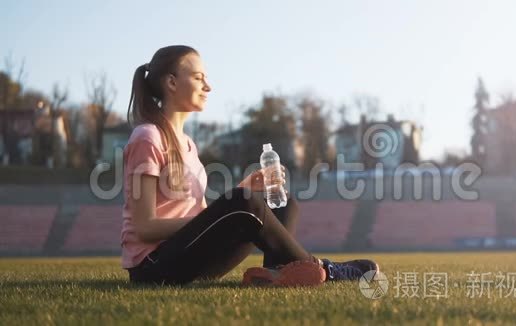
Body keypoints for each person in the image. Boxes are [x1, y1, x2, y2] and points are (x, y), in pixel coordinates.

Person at [122, 45, 378, 286]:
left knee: (282, 202)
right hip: (154, 267)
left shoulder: (188, 145)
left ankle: (278, 272)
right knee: (244, 200)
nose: (208, 86)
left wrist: (241, 194)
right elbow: (145, 227)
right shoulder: (148, 137)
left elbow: (199, 219)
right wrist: (236, 205)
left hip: (191, 261)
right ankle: (324, 269)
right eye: (199, 78)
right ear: (171, 82)